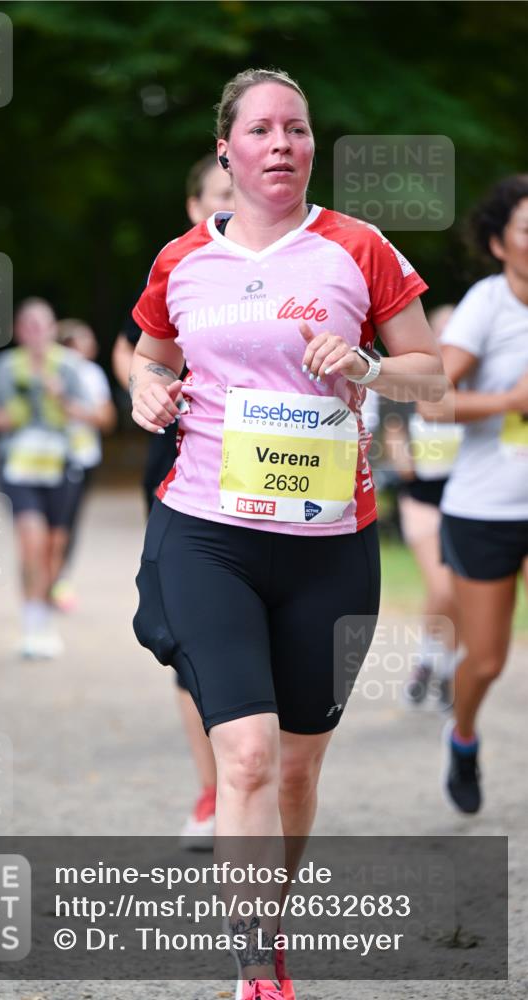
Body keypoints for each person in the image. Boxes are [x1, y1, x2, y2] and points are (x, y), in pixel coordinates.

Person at [129, 68, 444, 1000]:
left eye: (296, 130)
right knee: (251, 754)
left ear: (311, 146)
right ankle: (254, 965)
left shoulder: (358, 248)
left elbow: (428, 375)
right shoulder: (181, 260)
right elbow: (150, 359)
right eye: (261, 130)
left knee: (298, 768)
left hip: (328, 543)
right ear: (227, 149)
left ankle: (270, 921)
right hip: (207, 533)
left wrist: (370, 366)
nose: (280, 145)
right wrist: (147, 392)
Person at [113, 154, 233, 850]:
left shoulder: (293, 270)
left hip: (266, 481)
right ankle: (213, 787)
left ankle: (253, 776)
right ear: (194, 205)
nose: (231, 204)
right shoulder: (174, 269)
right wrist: (148, 388)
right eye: (219, 195)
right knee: (190, 638)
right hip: (178, 474)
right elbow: (135, 358)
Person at [428, 175, 528, 815]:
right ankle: (462, 736)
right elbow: (431, 399)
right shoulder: (487, 306)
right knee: (487, 661)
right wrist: (511, 402)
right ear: (500, 244)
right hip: (487, 508)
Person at [0, 298, 88, 659]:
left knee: (52, 548)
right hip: (18, 466)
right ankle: (31, 623)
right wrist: (6, 417)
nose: (35, 331)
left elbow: (92, 414)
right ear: (18, 330)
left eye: (41, 324)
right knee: (31, 540)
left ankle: (46, 618)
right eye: (27, 324)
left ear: (52, 328)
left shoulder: (68, 368)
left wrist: (62, 399)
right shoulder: (5, 367)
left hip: (59, 465)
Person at [383, 305, 462, 710]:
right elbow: (395, 433)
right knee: (443, 587)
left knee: (458, 594)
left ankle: (436, 665)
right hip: (423, 497)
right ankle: (440, 664)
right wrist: (404, 461)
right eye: (442, 330)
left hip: (466, 496)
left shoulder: (474, 381)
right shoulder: (416, 380)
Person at [50, 319, 117, 612]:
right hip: (48, 456)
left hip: (83, 455)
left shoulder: (92, 375)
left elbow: (107, 419)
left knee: (68, 521)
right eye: (85, 340)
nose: (93, 346)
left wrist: (75, 410)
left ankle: (59, 579)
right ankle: (50, 580)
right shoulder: (49, 371)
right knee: (50, 522)